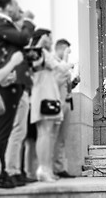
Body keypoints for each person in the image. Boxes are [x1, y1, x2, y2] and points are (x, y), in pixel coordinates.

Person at [0, 0, 35, 188]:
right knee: (7, 131)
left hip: (18, 83)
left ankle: (13, 170)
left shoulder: (8, 26)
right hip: (6, 83)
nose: (17, 8)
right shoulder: (1, 23)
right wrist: (27, 20)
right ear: (6, 6)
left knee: (18, 131)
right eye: (15, 5)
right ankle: (7, 172)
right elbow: (22, 38)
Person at [30, 29, 72, 182]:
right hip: (43, 96)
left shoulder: (43, 53)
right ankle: (43, 169)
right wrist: (68, 60)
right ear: (44, 37)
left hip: (49, 95)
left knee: (49, 135)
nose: (51, 41)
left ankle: (47, 168)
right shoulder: (38, 52)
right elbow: (60, 67)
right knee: (44, 134)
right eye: (49, 37)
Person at [52, 39, 79, 178]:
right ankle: (52, 168)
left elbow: (64, 86)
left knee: (62, 137)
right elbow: (55, 83)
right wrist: (67, 69)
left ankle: (60, 167)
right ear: (62, 49)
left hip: (68, 102)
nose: (70, 53)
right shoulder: (54, 63)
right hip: (57, 104)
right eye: (68, 50)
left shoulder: (64, 66)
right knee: (53, 136)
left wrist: (73, 83)